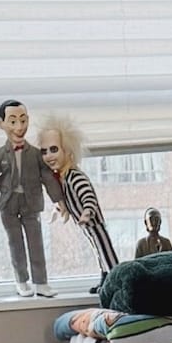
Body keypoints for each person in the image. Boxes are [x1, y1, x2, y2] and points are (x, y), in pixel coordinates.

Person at [0, 98, 63, 296]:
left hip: (31, 203)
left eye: (23, 120)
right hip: (8, 204)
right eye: (12, 121)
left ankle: (41, 282)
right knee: (15, 244)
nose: (19, 127)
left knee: (36, 243)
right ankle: (21, 280)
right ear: (1, 124)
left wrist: (59, 201)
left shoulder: (35, 154)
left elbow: (48, 178)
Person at [38, 115, 118, 285]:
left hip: (94, 223)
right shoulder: (63, 179)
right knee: (97, 250)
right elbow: (67, 200)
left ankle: (115, 278)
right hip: (85, 226)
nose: (48, 156)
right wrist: (58, 210)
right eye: (44, 151)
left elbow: (87, 196)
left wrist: (87, 212)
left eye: (54, 149)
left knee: (104, 249)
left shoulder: (75, 177)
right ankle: (105, 277)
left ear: (68, 151)